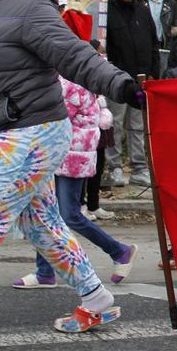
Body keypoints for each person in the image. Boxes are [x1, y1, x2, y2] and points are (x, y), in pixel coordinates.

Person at [0, 0, 141, 332]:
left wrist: (123, 86)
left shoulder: (26, 7)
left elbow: (74, 54)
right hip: (12, 130)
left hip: (32, 131)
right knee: (42, 226)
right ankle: (99, 299)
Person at [12, 74, 138, 289]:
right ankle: (45, 272)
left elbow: (51, 118)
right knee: (47, 214)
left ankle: (119, 251)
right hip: (62, 155)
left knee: (69, 215)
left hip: (70, 156)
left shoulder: (72, 82)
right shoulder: (66, 79)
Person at [105, 0, 159, 188]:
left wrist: (154, 71)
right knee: (114, 123)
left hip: (142, 79)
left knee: (138, 126)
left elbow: (154, 42)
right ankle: (114, 167)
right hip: (117, 79)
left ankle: (139, 168)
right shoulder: (109, 11)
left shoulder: (142, 10)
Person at [82, 39, 115, 221]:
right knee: (82, 168)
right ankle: (80, 204)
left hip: (100, 123)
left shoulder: (101, 68)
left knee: (98, 165)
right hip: (83, 129)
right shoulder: (76, 71)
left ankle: (94, 204)